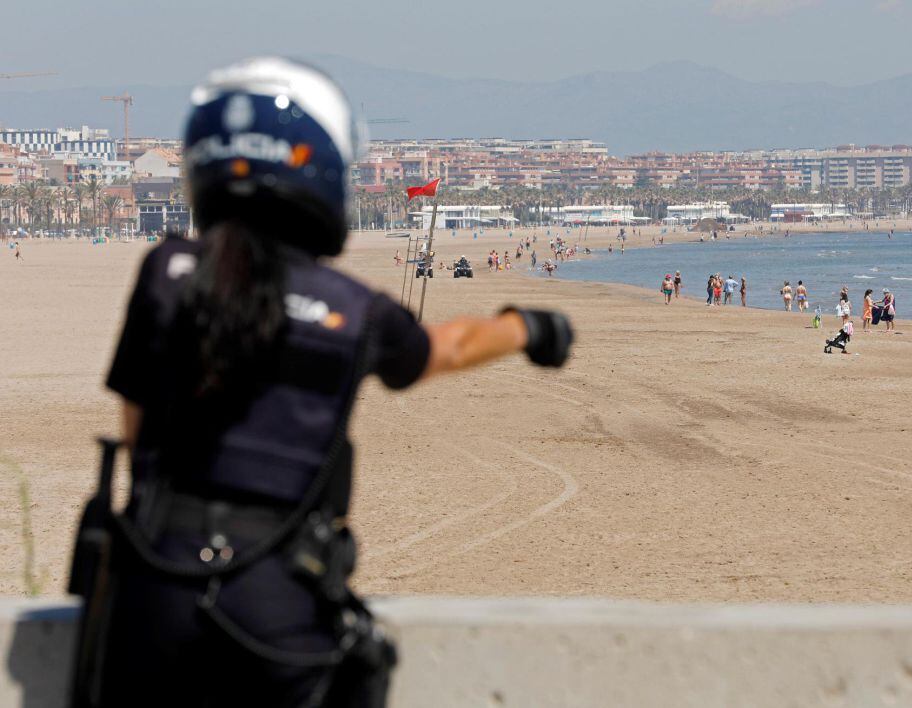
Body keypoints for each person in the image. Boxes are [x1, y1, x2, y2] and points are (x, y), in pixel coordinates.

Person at [77, 57, 574, 708]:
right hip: (275, 594)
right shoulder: (350, 309)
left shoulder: (166, 273)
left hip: (154, 585)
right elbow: (441, 350)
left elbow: (138, 431)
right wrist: (527, 328)